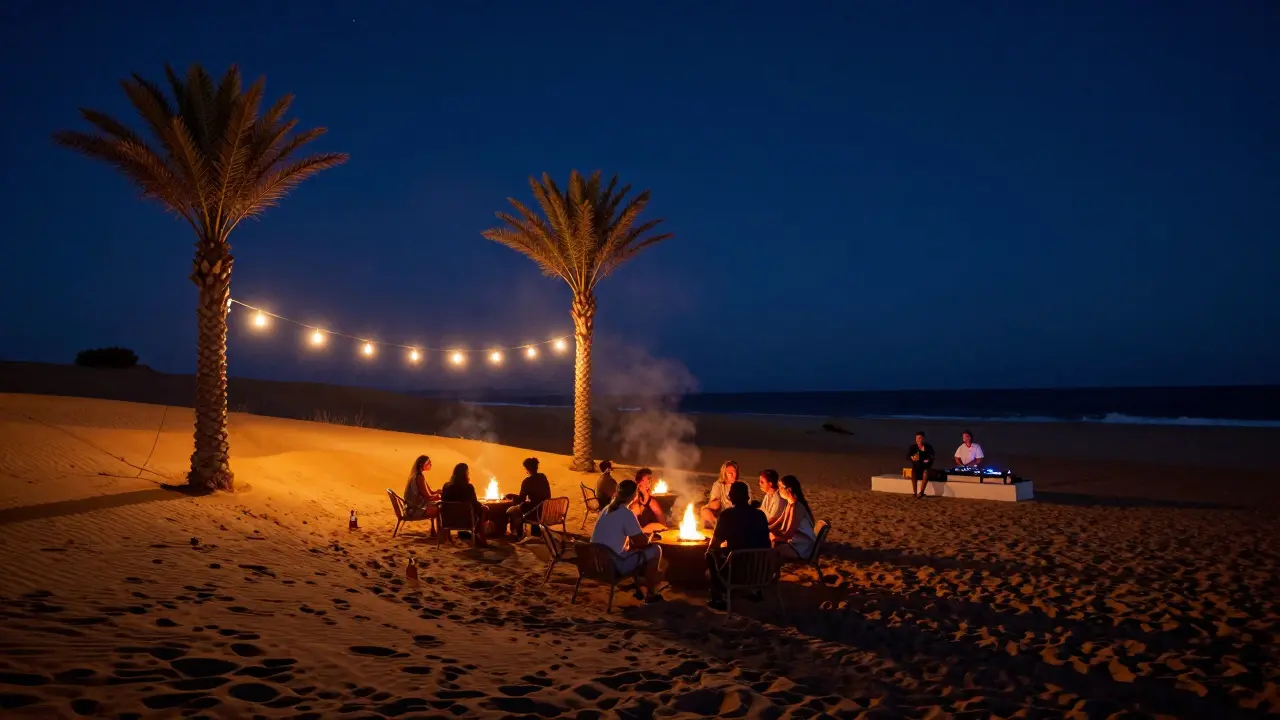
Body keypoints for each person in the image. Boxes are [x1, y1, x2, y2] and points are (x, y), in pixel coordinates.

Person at [590, 479, 664, 604]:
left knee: (632, 549)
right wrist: (650, 532)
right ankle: (651, 592)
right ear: (634, 495)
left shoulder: (606, 509)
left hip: (595, 563)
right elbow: (642, 542)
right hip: (613, 566)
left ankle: (640, 583)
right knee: (655, 550)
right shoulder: (626, 513)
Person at [705, 481, 772, 610]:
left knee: (709, 556)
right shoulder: (760, 515)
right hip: (761, 572)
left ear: (731, 497)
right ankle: (755, 591)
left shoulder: (727, 515)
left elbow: (714, 545)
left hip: (737, 573)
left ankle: (717, 598)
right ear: (747, 497)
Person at [439, 462, 488, 547]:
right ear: (465, 474)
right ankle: (481, 537)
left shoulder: (446, 486)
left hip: (448, 521)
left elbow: (443, 502)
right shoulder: (468, 487)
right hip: (466, 521)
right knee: (484, 510)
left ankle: (473, 536)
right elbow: (475, 504)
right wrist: (482, 506)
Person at [771, 475, 816, 561]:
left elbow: (789, 534)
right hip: (794, 543)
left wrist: (775, 536)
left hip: (801, 548)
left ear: (789, 489)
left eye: (780, 487)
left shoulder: (797, 507)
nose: (778, 489)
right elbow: (778, 522)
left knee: (769, 553)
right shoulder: (790, 503)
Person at [507, 457, 552, 539]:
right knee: (527, 506)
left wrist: (511, 496)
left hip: (536, 511)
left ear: (527, 468)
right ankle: (536, 533)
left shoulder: (527, 482)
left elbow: (521, 499)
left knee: (513, 510)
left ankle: (518, 534)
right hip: (545, 509)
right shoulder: (543, 477)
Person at [701, 460, 747, 528]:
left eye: (734, 472)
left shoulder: (741, 485)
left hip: (736, 515)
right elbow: (715, 504)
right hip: (721, 515)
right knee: (705, 512)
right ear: (724, 474)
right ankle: (717, 525)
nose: (732, 475)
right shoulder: (718, 485)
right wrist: (708, 506)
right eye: (729, 473)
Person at [403, 455, 441, 524]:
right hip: (415, 510)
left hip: (415, 507)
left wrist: (437, 492)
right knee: (442, 510)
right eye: (429, 463)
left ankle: (437, 531)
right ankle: (441, 533)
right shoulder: (419, 476)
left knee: (439, 505)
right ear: (422, 464)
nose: (430, 465)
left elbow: (430, 493)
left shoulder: (419, 475)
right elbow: (428, 497)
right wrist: (438, 496)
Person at [630, 468, 668, 534]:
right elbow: (634, 515)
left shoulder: (651, 500)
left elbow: (660, 517)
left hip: (647, 532)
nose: (648, 484)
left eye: (649, 480)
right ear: (638, 482)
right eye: (644, 481)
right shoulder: (632, 498)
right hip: (635, 533)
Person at [907, 431, 935, 498]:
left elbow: (932, 457)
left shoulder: (928, 447)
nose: (918, 440)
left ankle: (922, 492)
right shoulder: (913, 447)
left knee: (926, 472)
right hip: (916, 467)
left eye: (919, 438)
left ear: (923, 439)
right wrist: (912, 457)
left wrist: (927, 460)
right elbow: (908, 456)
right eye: (916, 438)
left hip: (925, 467)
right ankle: (914, 492)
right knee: (913, 472)